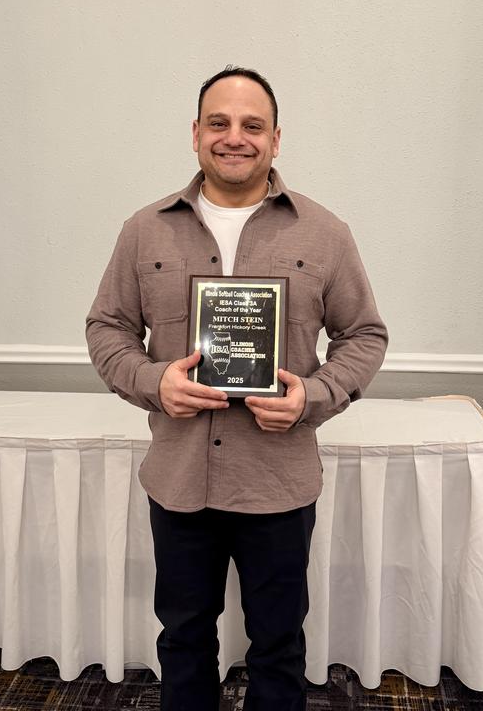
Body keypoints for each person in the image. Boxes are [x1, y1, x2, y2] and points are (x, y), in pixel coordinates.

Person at [85, 66, 388, 711]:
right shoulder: (145, 230)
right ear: (195, 134)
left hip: (276, 482)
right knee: (184, 639)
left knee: (278, 646)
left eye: (253, 125)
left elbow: (364, 335)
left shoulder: (325, 234)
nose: (235, 137)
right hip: (178, 480)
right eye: (219, 123)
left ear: (277, 139)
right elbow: (106, 328)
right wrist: (151, 381)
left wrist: (313, 396)